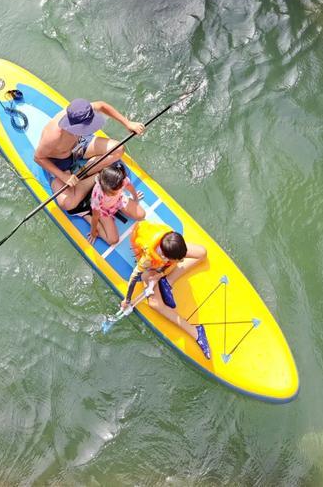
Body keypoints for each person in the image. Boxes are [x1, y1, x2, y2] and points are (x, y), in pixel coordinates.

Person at [34, 98, 145, 213]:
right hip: (61, 162)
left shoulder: (83, 111)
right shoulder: (53, 135)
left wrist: (128, 123)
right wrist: (63, 176)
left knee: (118, 149)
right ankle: (98, 176)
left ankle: (85, 173)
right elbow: (38, 157)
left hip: (80, 145)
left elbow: (102, 105)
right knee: (67, 203)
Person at [121, 221, 211, 359]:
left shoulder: (171, 240)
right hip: (149, 262)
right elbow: (134, 277)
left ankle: (167, 282)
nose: (181, 262)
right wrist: (127, 300)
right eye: (178, 260)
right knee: (155, 304)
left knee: (202, 253)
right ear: (165, 256)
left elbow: (178, 258)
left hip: (163, 251)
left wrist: (161, 275)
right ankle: (196, 332)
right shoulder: (148, 259)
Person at [88, 161, 145, 245]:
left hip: (118, 200)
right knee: (113, 240)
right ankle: (91, 220)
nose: (115, 193)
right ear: (104, 187)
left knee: (141, 215)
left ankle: (121, 205)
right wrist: (93, 232)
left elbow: (129, 186)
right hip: (103, 211)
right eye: (111, 193)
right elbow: (95, 216)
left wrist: (135, 197)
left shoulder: (121, 180)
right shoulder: (97, 195)